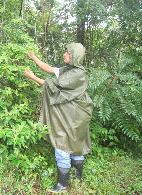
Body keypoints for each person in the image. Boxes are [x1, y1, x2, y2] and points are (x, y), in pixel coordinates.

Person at [24, 43, 93, 193]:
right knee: (76, 142)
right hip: (75, 114)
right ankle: (77, 177)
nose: (64, 54)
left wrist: (32, 77)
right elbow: (49, 69)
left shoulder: (76, 74)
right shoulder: (69, 70)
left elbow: (53, 87)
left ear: (74, 55)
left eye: (67, 53)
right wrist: (33, 57)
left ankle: (62, 185)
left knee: (62, 143)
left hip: (75, 115)